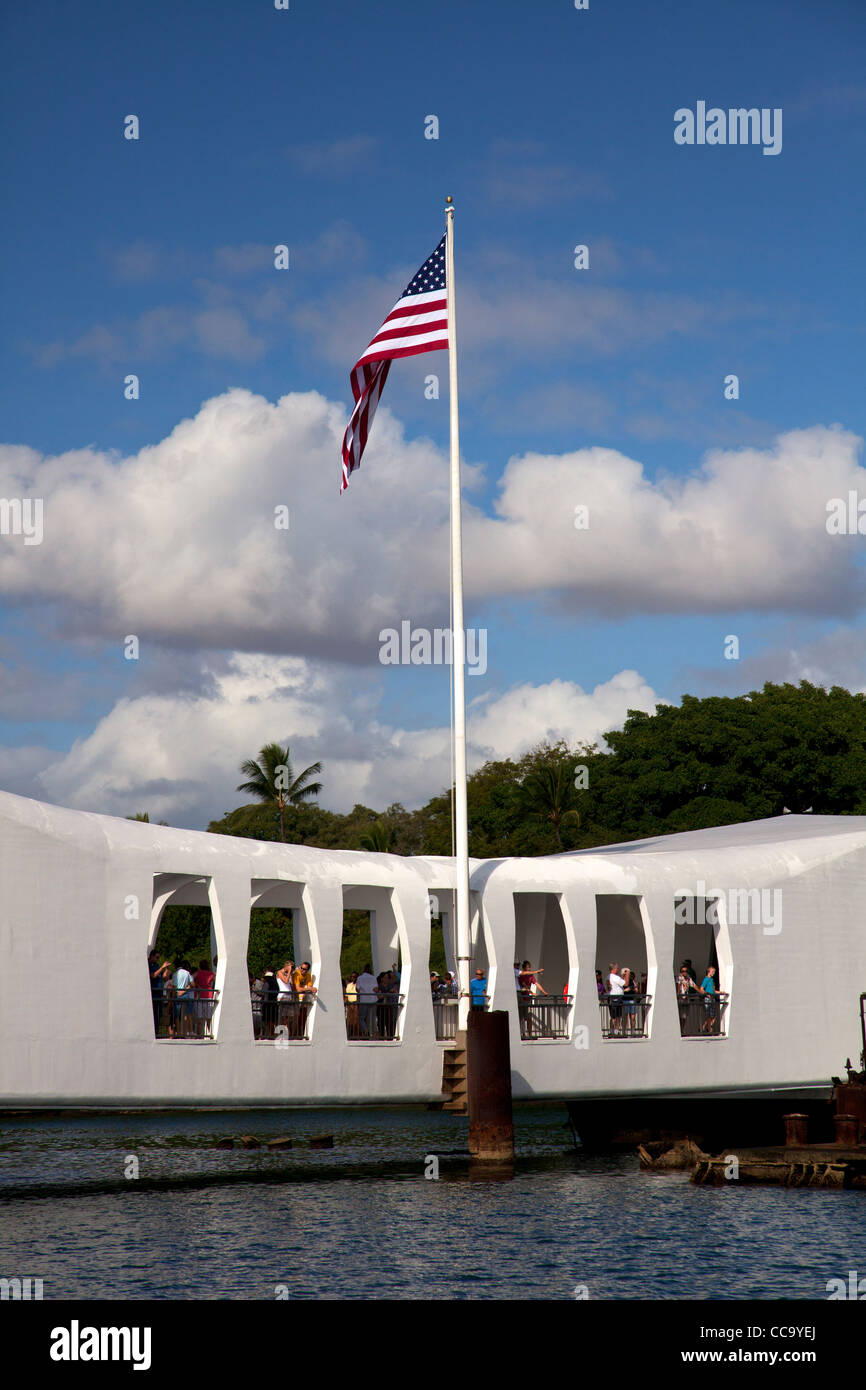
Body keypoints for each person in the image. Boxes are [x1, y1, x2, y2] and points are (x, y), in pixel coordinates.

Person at [170, 959, 194, 1039]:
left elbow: (173, 987)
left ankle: (179, 1033)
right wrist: (186, 988)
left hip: (177, 995)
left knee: (177, 1016)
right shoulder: (187, 973)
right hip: (186, 995)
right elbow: (192, 984)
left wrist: (172, 998)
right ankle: (185, 1033)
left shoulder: (175, 974)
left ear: (175, 966)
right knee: (185, 1015)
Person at [292, 961, 316, 1039]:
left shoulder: (308, 976)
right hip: (294, 998)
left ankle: (299, 1034)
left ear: (308, 970)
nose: (302, 970)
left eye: (304, 969)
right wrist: (307, 988)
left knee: (301, 1017)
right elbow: (298, 989)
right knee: (294, 1018)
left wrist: (308, 989)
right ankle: (293, 1035)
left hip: (302, 999)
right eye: (301, 968)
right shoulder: (297, 974)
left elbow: (310, 988)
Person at [193, 957, 216, 1038]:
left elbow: (191, 978)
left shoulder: (198, 973)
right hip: (209, 995)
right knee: (208, 1017)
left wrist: (196, 985)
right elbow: (216, 979)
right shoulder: (211, 974)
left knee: (199, 1017)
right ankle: (210, 1033)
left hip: (199, 996)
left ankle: (198, 1034)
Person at [355, 964, 379, 1039]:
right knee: (371, 1018)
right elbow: (376, 989)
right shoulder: (373, 978)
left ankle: (366, 1031)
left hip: (364, 1000)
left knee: (361, 1018)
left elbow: (357, 989)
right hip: (373, 1000)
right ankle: (371, 1035)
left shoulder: (359, 978)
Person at [276, 960, 294, 1036]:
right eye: (291, 967)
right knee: (282, 1016)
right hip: (282, 996)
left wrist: (291, 974)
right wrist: (289, 972)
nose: (291, 968)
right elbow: (285, 981)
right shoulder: (279, 972)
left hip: (289, 996)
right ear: (286, 966)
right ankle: (281, 1033)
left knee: (289, 1017)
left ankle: (286, 1033)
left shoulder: (289, 974)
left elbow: (291, 984)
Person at [607, 962, 625, 1036]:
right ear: (613, 969)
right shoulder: (615, 977)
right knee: (617, 1016)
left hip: (611, 997)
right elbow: (625, 983)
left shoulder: (608, 976)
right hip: (616, 998)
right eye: (617, 968)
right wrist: (627, 975)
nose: (618, 969)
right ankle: (616, 1032)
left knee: (613, 1016)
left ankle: (612, 1031)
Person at [700, 965, 718, 1034]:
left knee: (713, 1015)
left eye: (714, 972)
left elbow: (713, 990)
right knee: (709, 1015)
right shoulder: (706, 979)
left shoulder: (712, 980)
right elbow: (701, 989)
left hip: (712, 998)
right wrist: (706, 994)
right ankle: (709, 1029)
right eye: (712, 971)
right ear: (709, 972)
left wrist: (721, 992)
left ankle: (705, 1027)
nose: (713, 973)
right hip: (708, 999)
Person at [344, 971, 359, 1038]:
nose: (354, 978)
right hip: (350, 1005)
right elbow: (347, 996)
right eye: (352, 977)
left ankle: (356, 1035)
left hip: (356, 1004)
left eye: (355, 977)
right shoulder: (349, 985)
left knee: (356, 1021)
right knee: (350, 1021)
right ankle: (350, 1035)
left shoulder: (358, 985)